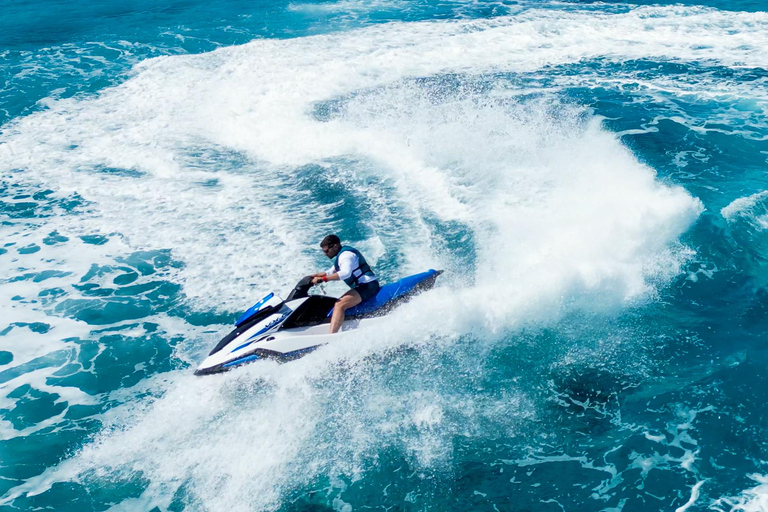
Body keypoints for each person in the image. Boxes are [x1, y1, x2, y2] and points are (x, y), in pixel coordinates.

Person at [311, 234, 379, 334]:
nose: (325, 254)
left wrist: (323, 279)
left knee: (339, 305)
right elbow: (330, 272)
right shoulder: (341, 256)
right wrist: (312, 277)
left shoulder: (346, 256)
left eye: (326, 251)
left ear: (335, 246)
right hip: (363, 286)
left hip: (368, 286)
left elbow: (345, 273)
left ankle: (331, 337)